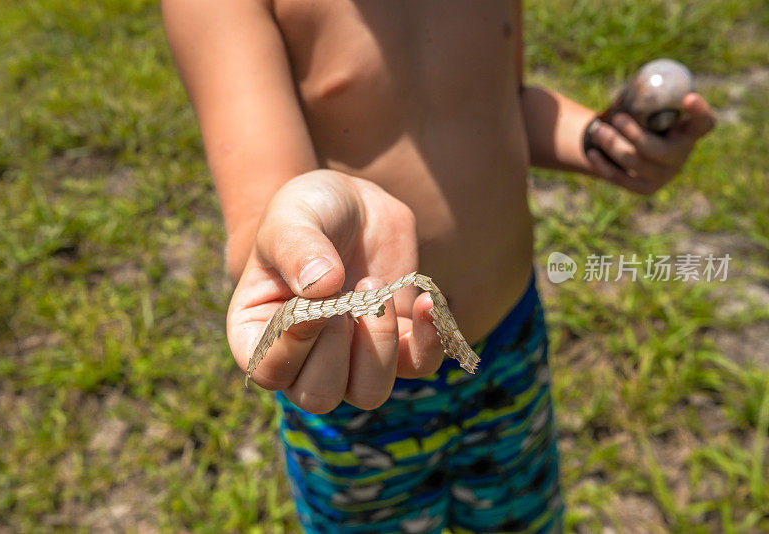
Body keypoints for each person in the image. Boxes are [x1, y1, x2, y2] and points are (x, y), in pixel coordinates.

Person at [162, 1, 715, 532]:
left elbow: (502, 100)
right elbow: (257, 213)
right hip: (354, 378)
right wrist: (289, 229)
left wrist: (601, 141)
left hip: (507, 345)